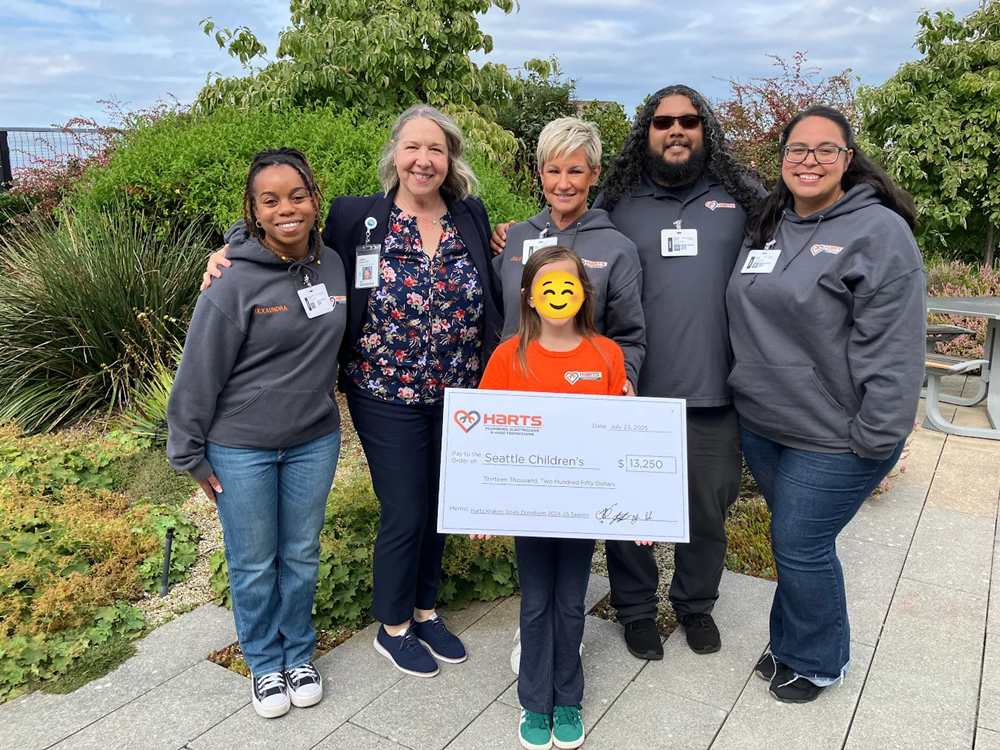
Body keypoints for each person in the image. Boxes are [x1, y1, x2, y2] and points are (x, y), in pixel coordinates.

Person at [203, 104, 502, 678]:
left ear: (450, 158)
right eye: (413, 147)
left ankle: (425, 609)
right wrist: (230, 248)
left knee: (442, 506)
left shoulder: (469, 214)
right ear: (395, 154)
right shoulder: (357, 217)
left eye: (435, 149)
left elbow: (499, 264)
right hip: (382, 389)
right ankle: (392, 627)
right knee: (406, 508)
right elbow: (287, 226)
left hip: (461, 392)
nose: (423, 159)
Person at [493, 85, 762, 660]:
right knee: (623, 509)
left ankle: (695, 606)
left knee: (707, 508)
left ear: (704, 129)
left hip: (711, 387)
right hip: (620, 399)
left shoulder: (740, 201)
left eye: (688, 120)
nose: (676, 130)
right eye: (663, 121)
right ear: (647, 131)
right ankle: (636, 609)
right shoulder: (619, 204)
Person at [728, 105, 925, 703]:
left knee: (800, 543)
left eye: (825, 150)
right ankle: (789, 641)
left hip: (837, 435)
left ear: (847, 159)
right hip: (765, 423)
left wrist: (875, 435)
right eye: (797, 149)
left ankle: (818, 660)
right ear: (781, 158)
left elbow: (895, 345)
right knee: (795, 542)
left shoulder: (879, 233)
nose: (808, 160)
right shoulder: (769, 222)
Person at [168, 148, 347, 718]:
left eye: (297, 195)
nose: (286, 209)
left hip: (314, 439)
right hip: (240, 447)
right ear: (252, 210)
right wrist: (190, 455)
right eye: (270, 200)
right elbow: (197, 373)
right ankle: (264, 663)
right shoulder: (231, 281)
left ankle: (298, 652)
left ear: (315, 199)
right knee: (251, 560)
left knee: (300, 553)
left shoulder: (334, 265)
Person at [490, 117, 646, 670]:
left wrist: (621, 385)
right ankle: (532, 626)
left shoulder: (618, 248)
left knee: (573, 528)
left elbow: (628, 336)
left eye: (575, 170)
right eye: (552, 169)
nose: (563, 181)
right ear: (539, 172)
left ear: (594, 174)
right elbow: (501, 320)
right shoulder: (515, 240)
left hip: (585, 416)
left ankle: (566, 628)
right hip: (523, 410)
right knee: (530, 524)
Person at [478, 244, 629, 750]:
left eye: (569, 286)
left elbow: (620, 439)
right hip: (531, 509)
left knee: (570, 603)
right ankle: (533, 702)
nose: (559, 296)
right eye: (548, 288)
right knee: (536, 603)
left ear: (584, 293)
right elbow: (483, 436)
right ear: (529, 296)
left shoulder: (606, 354)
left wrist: (640, 511)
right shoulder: (509, 355)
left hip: (582, 510)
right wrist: (479, 502)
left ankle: (568, 698)